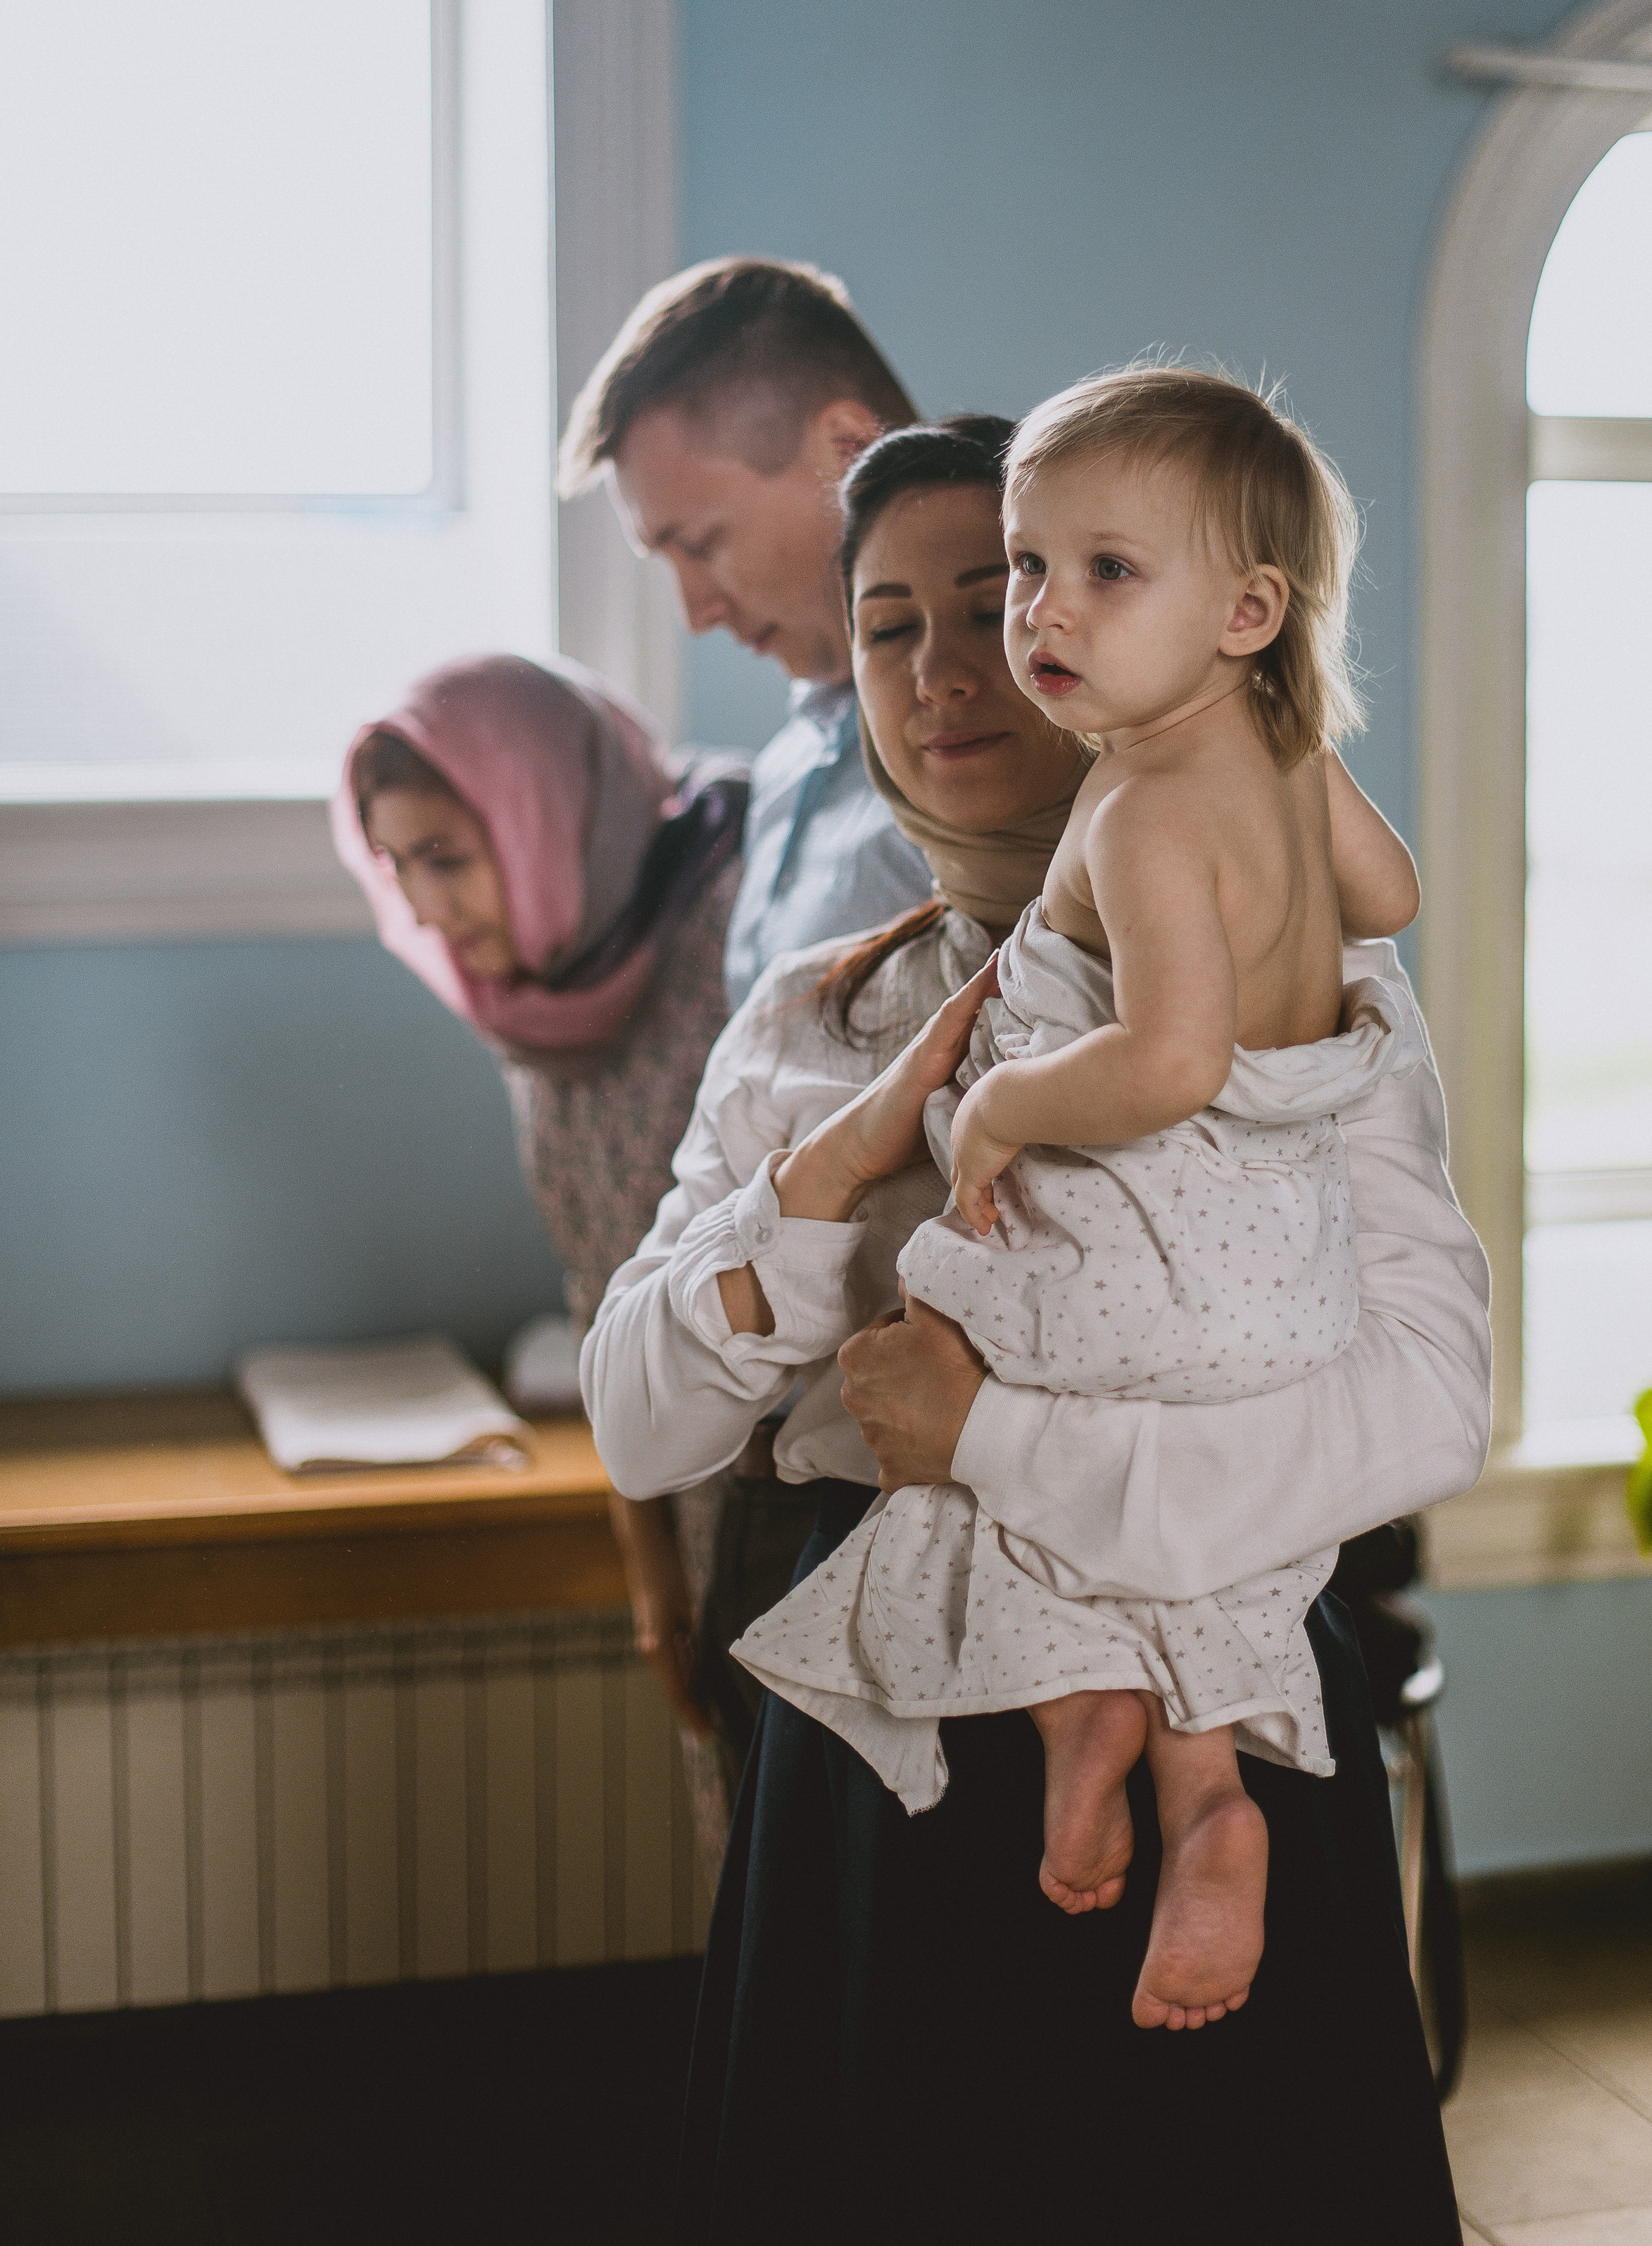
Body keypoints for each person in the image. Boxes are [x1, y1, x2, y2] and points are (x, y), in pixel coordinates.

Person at [585, 426, 1489, 2242]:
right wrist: (828, 1185)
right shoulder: (806, 1020)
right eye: (884, 626)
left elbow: (1422, 1405)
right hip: (888, 1756)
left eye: (992, 599)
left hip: (1216, 1731)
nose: (945, 667)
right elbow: (634, 1421)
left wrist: (995, 1439)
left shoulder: (1307, 975)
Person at [733, 368, 1427, 2035]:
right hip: (1283, 1269)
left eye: (1100, 572)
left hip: (1167, 1247)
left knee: (954, 1351)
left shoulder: (1136, 805)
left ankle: (1090, 1727)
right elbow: (1385, 895)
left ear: (1245, 609)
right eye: (1034, 567)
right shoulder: (1278, 753)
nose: (1042, 613)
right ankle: (1199, 1782)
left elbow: (1169, 1057)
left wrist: (1000, 1110)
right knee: (1139, 1473)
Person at [330, 653, 749, 1870]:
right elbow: (596, 1287)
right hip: (681, 1487)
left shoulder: (735, 935)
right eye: (399, 867)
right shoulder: (534, 999)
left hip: (800, 1473)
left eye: (446, 857)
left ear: (541, 817)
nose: (425, 910)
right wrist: (650, 1565)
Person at [557, 256, 936, 1005]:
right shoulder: (787, 765)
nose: (696, 613)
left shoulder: (1013, 744)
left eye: (701, 545)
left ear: (848, 451)